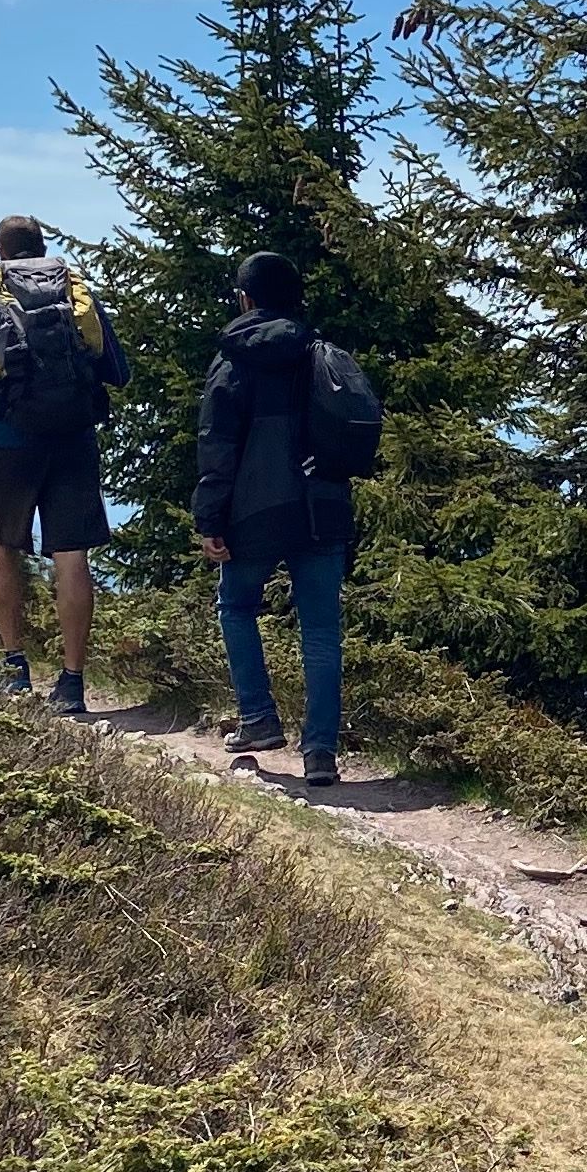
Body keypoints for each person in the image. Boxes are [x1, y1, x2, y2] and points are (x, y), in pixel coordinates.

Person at [191, 252, 378, 785]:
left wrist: (210, 520)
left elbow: (217, 447)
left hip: (254, 513)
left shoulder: (233, 361)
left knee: (236, 606)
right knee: (321, 631)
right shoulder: (321, 354)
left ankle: (259, 718)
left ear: (245, 299)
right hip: (322, 508)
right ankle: (320, 754)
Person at [0, 214, 128, 716]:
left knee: (3, 545)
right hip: (74, 436)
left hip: (11, 437)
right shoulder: (76, 290)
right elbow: (117, 369)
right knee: (72, 554)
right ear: (42, 245)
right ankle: (72, 682)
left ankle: (15, 670)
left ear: (0, 251)